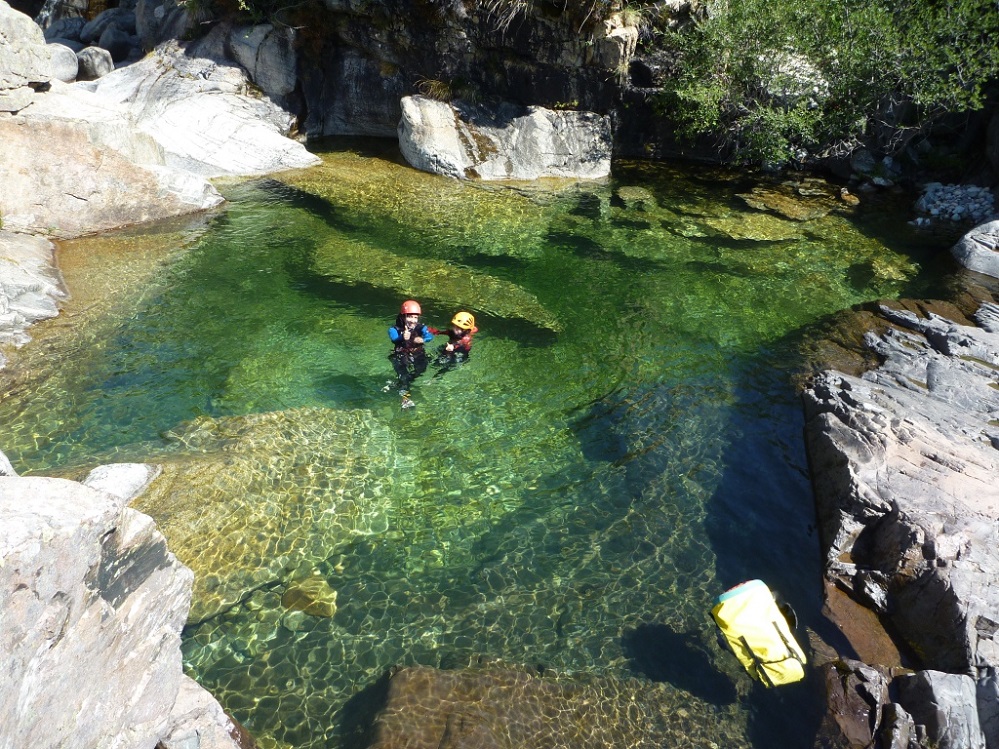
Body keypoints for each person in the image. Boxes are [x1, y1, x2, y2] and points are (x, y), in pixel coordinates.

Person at [386, 299, 434, 407]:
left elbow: (430, 336)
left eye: (415, 317)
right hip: (401, 354)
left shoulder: (421, 327)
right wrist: (402, 337)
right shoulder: (394, 329)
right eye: (410, 316)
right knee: (403, 375)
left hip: (418, 353)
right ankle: (405, 398)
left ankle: (400, 383)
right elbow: (394, 339)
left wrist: (423, 340)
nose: (413, 320)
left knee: (421, 369)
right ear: (403, 317)